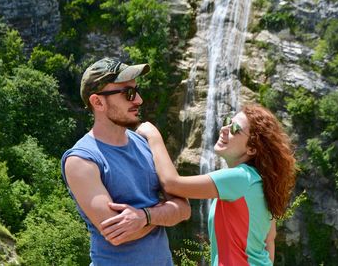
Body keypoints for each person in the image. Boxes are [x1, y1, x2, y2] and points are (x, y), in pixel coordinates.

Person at [61, 57, 191, 265]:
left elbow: (184, 210)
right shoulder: (81, 160)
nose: (138, 100)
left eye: (137, 91)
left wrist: (144, 216)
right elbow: (119, 233)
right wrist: (163, 209)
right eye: (128, 94)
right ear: (98, 102)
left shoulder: (145, 143)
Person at [135, 104, 297, 265]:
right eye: (228, 122)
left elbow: (172, 184)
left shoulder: (240, 178)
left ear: (252, 149)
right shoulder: (261, 182)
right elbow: (269, 241)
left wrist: (154, 137)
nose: (224, 129)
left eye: (235, 129)